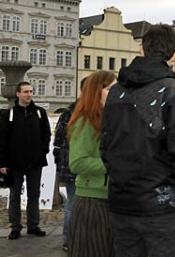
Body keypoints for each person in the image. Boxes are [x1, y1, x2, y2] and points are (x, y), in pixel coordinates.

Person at [100, 24, 175, 257]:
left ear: (142, 49)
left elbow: (105, 146)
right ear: (173, 54)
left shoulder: (115, 93)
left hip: (123, 201)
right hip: (161, 206)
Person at [67, 70, 117, 257]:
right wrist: (114, 164)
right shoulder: (85, 120)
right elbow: (78, 162)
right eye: (110, 88)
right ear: (97, 91)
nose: (117, 92)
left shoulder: (110, 118)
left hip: (110, 198)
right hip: (91, 202)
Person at [0, 82, 51, 240]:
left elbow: (46, 134)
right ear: (18, 94)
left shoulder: (40, 112)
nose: (29, 94)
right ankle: (15, 226)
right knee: (15, 195)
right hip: (16, 163)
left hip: (35, 162)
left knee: (34, 194)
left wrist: (42, 151)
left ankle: (33, 225)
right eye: (26, 92)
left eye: (31, 91)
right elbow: (3, 140)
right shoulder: (9, 114)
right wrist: (4, 163)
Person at [53, 77, 85, 252]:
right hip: (77, 166)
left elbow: (57, 141)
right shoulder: (84, 111)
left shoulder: (68, 111)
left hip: (68, 165)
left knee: (72, 203)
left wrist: (60, 163)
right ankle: (71, 238)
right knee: (74, 203)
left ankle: (68, 239)